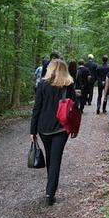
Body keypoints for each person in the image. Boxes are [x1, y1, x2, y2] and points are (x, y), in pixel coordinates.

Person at [30, 59, 77, 206]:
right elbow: (74, 109)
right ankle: (50, 192)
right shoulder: (68, 85)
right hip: (61, 127)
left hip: (44, 127)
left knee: (51, 156)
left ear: (50, 69)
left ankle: (50, 187)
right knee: (55, 158)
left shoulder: (42, 85)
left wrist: (33, 130)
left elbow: (37, 108)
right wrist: (74, 128)